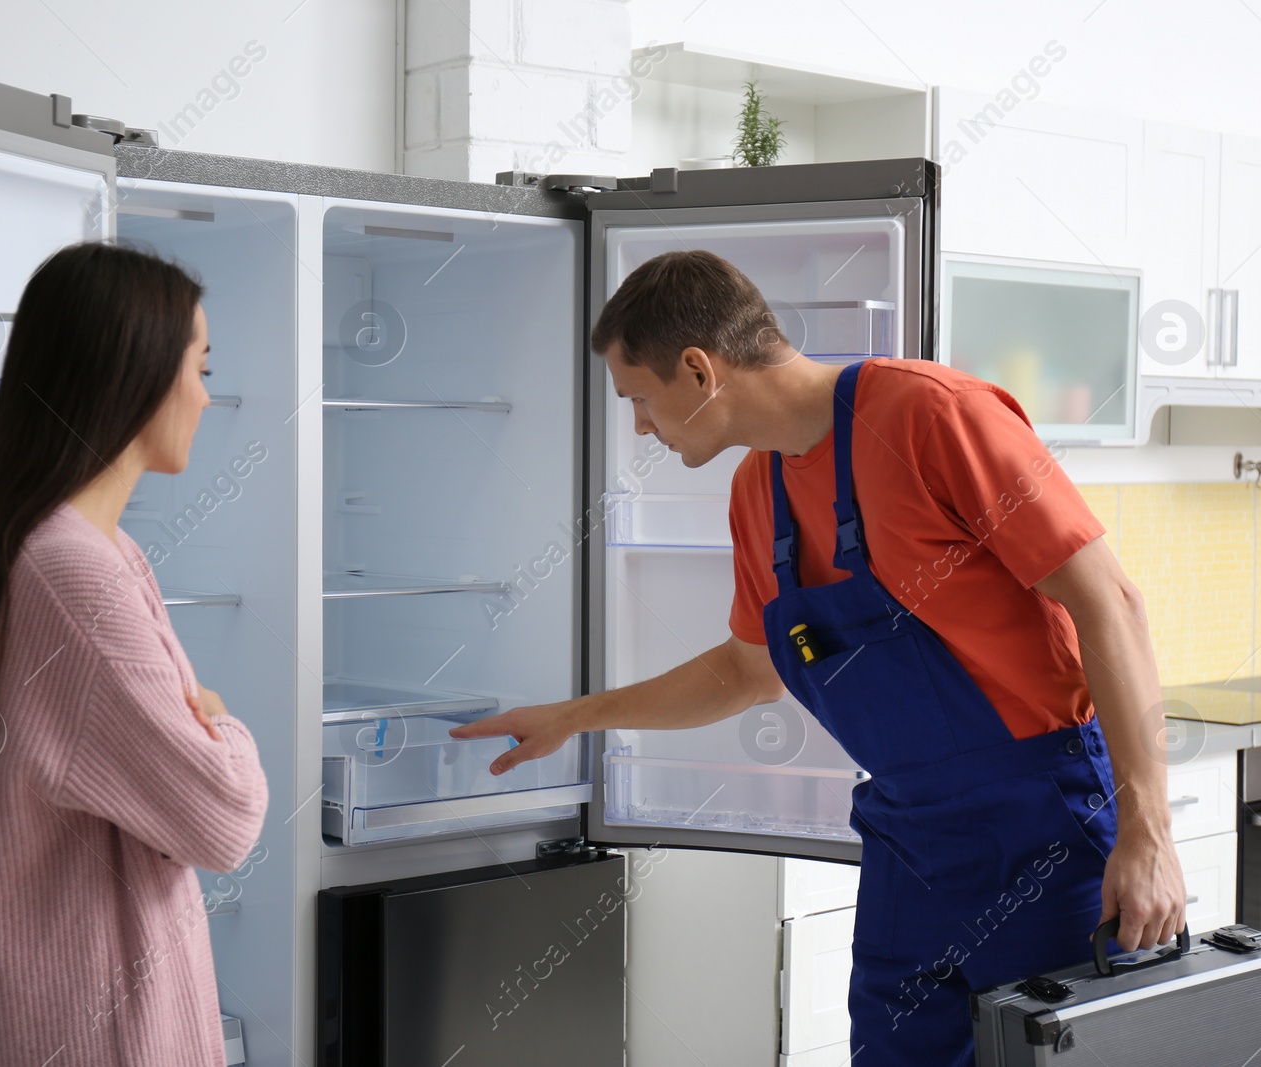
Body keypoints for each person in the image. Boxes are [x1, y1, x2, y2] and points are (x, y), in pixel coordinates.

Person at [452, 249, 1186, 1064]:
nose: (640, 426)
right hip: (910, 842)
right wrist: (573, 718)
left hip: (1044, 827)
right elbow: (745, 670)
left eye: (639, 399)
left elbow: (1109, 600)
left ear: (698, 370)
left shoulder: (934, 416)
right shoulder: (756, 495)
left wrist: (1149, 832)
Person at [0, 241, 268, 1066]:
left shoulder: (60, 546)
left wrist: (197, 733)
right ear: (135, 375)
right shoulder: (74, 573)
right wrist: (222, 723)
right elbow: (223, 817)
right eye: (201, 367)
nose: (208, 399)